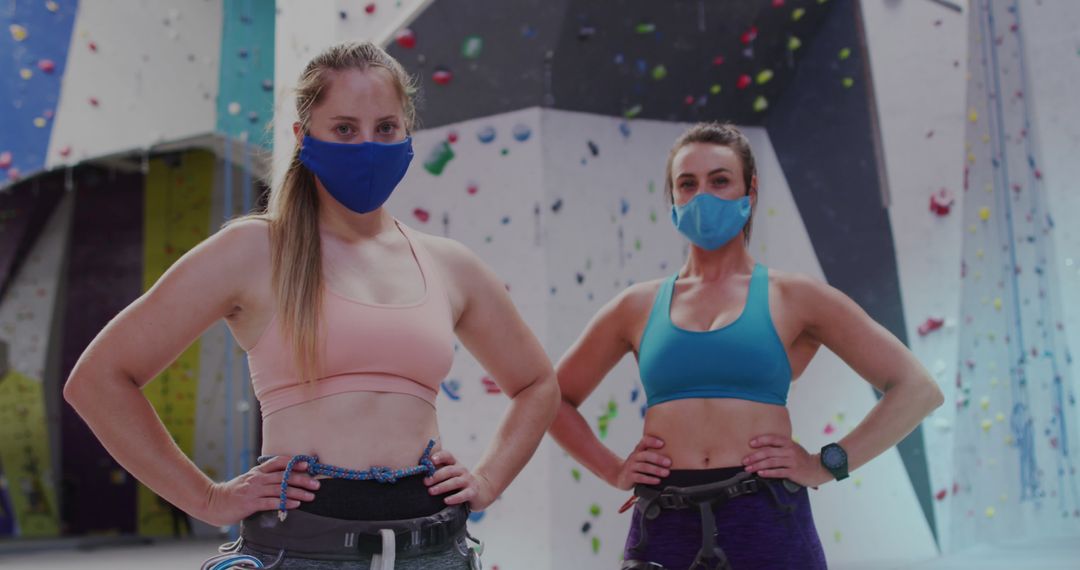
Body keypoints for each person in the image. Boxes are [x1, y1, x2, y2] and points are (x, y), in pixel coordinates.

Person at [64, 41, 560, 569]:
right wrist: (206, 499)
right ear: (304, 137)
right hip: (300, 550)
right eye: (345, 128)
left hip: (434, 549)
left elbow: (537, 383)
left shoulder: (448, 264)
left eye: (386, 128)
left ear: (407, 133)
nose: (368, 145)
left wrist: (486, 480)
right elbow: (98, 380)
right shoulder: (253, 250)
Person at [549, 122, 944, 569]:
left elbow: (917, 388)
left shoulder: (795, 296)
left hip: (766, 514)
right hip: (664, 520)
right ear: (672, 197)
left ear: (749, 191)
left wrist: (825, 462)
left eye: (720, 180)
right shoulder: (635, 306)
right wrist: (613, 469)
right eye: (687, 183)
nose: (703, 196)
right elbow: (552, 399)